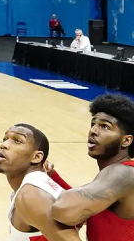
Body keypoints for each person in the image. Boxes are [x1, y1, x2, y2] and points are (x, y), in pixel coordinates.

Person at [50, 94, 134, 240]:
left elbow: (65, 210)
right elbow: (88, 202)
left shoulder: (123, 174)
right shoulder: (118, 173)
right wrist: (51, 175)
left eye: (105, 127)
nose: (93, 131)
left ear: (126, 140)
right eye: (93, 124)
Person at [0, 124, 80, 241]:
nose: (4, 145)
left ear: (36, 157)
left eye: (17, 141)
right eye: (5, 139)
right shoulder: (35, 186)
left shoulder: (32, 195)